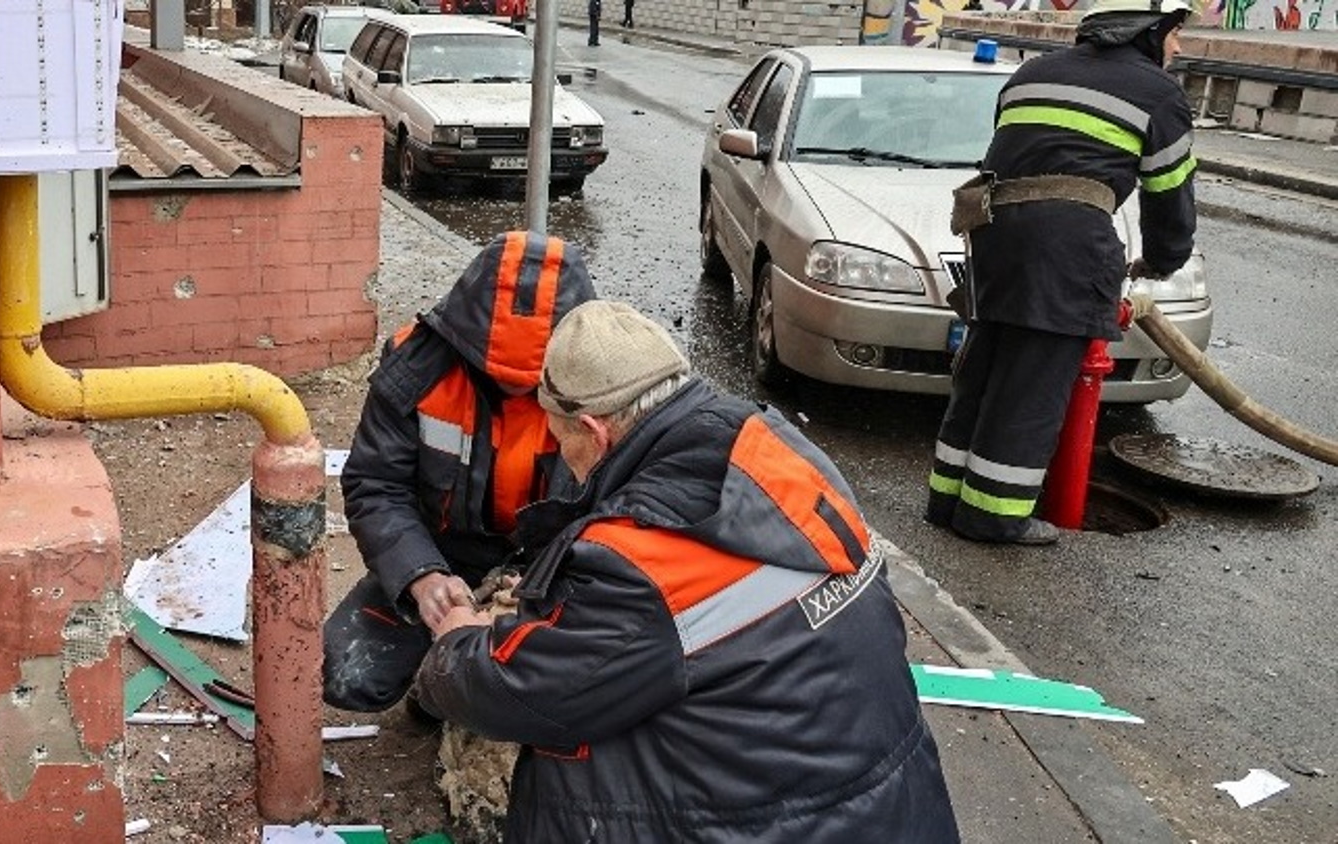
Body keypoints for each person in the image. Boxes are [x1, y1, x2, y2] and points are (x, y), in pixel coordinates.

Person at [414, 300, 960, 842]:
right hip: (893, 800)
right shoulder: (776, 451)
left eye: (561, 441)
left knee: (573, 759)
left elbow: (523, 690)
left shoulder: (644, 563)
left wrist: (457, 641)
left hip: (782, 826)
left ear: (594, 432)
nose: (564, 460)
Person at [927, 0, 1197, 545]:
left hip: (993, 234)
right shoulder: (1158, 94)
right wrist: (1164, 261)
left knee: (984, 370)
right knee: (1032, 386)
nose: (1179, 46)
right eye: (1175, 33)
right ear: (1147, 31)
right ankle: (993, 517)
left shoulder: (1033, 72)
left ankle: (946, 500)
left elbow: (1014, 152)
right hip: (1067, 248)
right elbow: (1169, 198)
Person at [322, 230, 597, 713]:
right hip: (444, 553)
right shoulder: (416, 368)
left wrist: (534, 595)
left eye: (531, 384)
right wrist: (422, 578)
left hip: (556, 565)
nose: (515, 394)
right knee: (345, 675)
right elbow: (375, 485)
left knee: (575, 691)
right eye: (498, 376)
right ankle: (440, 687)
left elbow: (633, 506)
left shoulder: (608, 384)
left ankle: (453, 693)